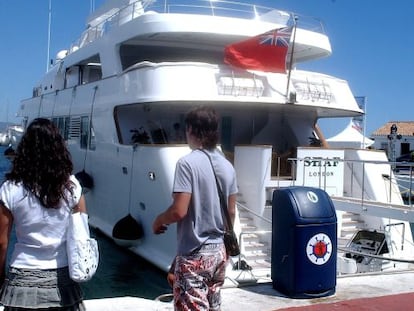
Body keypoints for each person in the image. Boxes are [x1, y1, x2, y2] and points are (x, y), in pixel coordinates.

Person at [152, 106, 238, 311]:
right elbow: (231, 212)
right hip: (219, 251)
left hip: (195, 253)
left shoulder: (187, 164)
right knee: (212, 305)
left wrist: (159, 220)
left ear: (191, 130)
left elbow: (179, 211)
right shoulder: (227, 165)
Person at [0, 118, 86, 311]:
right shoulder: (72, 187)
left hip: (22, 280)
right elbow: (82, 235)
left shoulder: (10, 188)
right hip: (63, 281)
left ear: (24, 149)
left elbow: (2, 242)